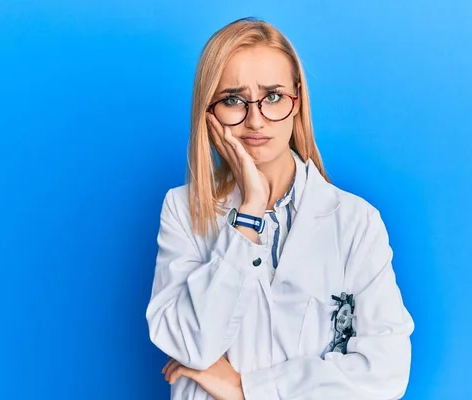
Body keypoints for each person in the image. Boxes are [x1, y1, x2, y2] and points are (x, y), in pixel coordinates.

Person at [146, 17, 414, 400]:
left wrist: (246, 389)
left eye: (273, 96)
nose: (255, 120)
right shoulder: (183, 210)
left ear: (297, 101)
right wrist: (248, 214)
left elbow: (385, 372)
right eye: (233, 100)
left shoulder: (355, 222)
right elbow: (191, 345)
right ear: (209, 112)